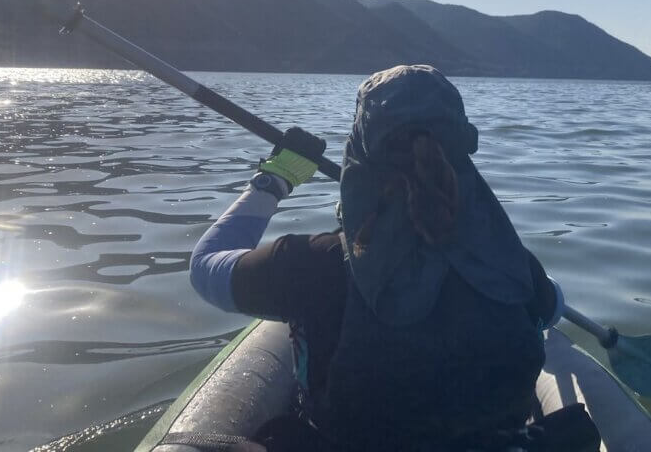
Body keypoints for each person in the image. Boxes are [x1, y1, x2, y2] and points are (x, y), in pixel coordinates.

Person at [190, 65, 598, 452]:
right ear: (460, 151)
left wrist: (275, 179)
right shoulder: (515, 269)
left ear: (358, 159)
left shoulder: (313, 265)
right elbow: (552, 307)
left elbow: (205, 266)